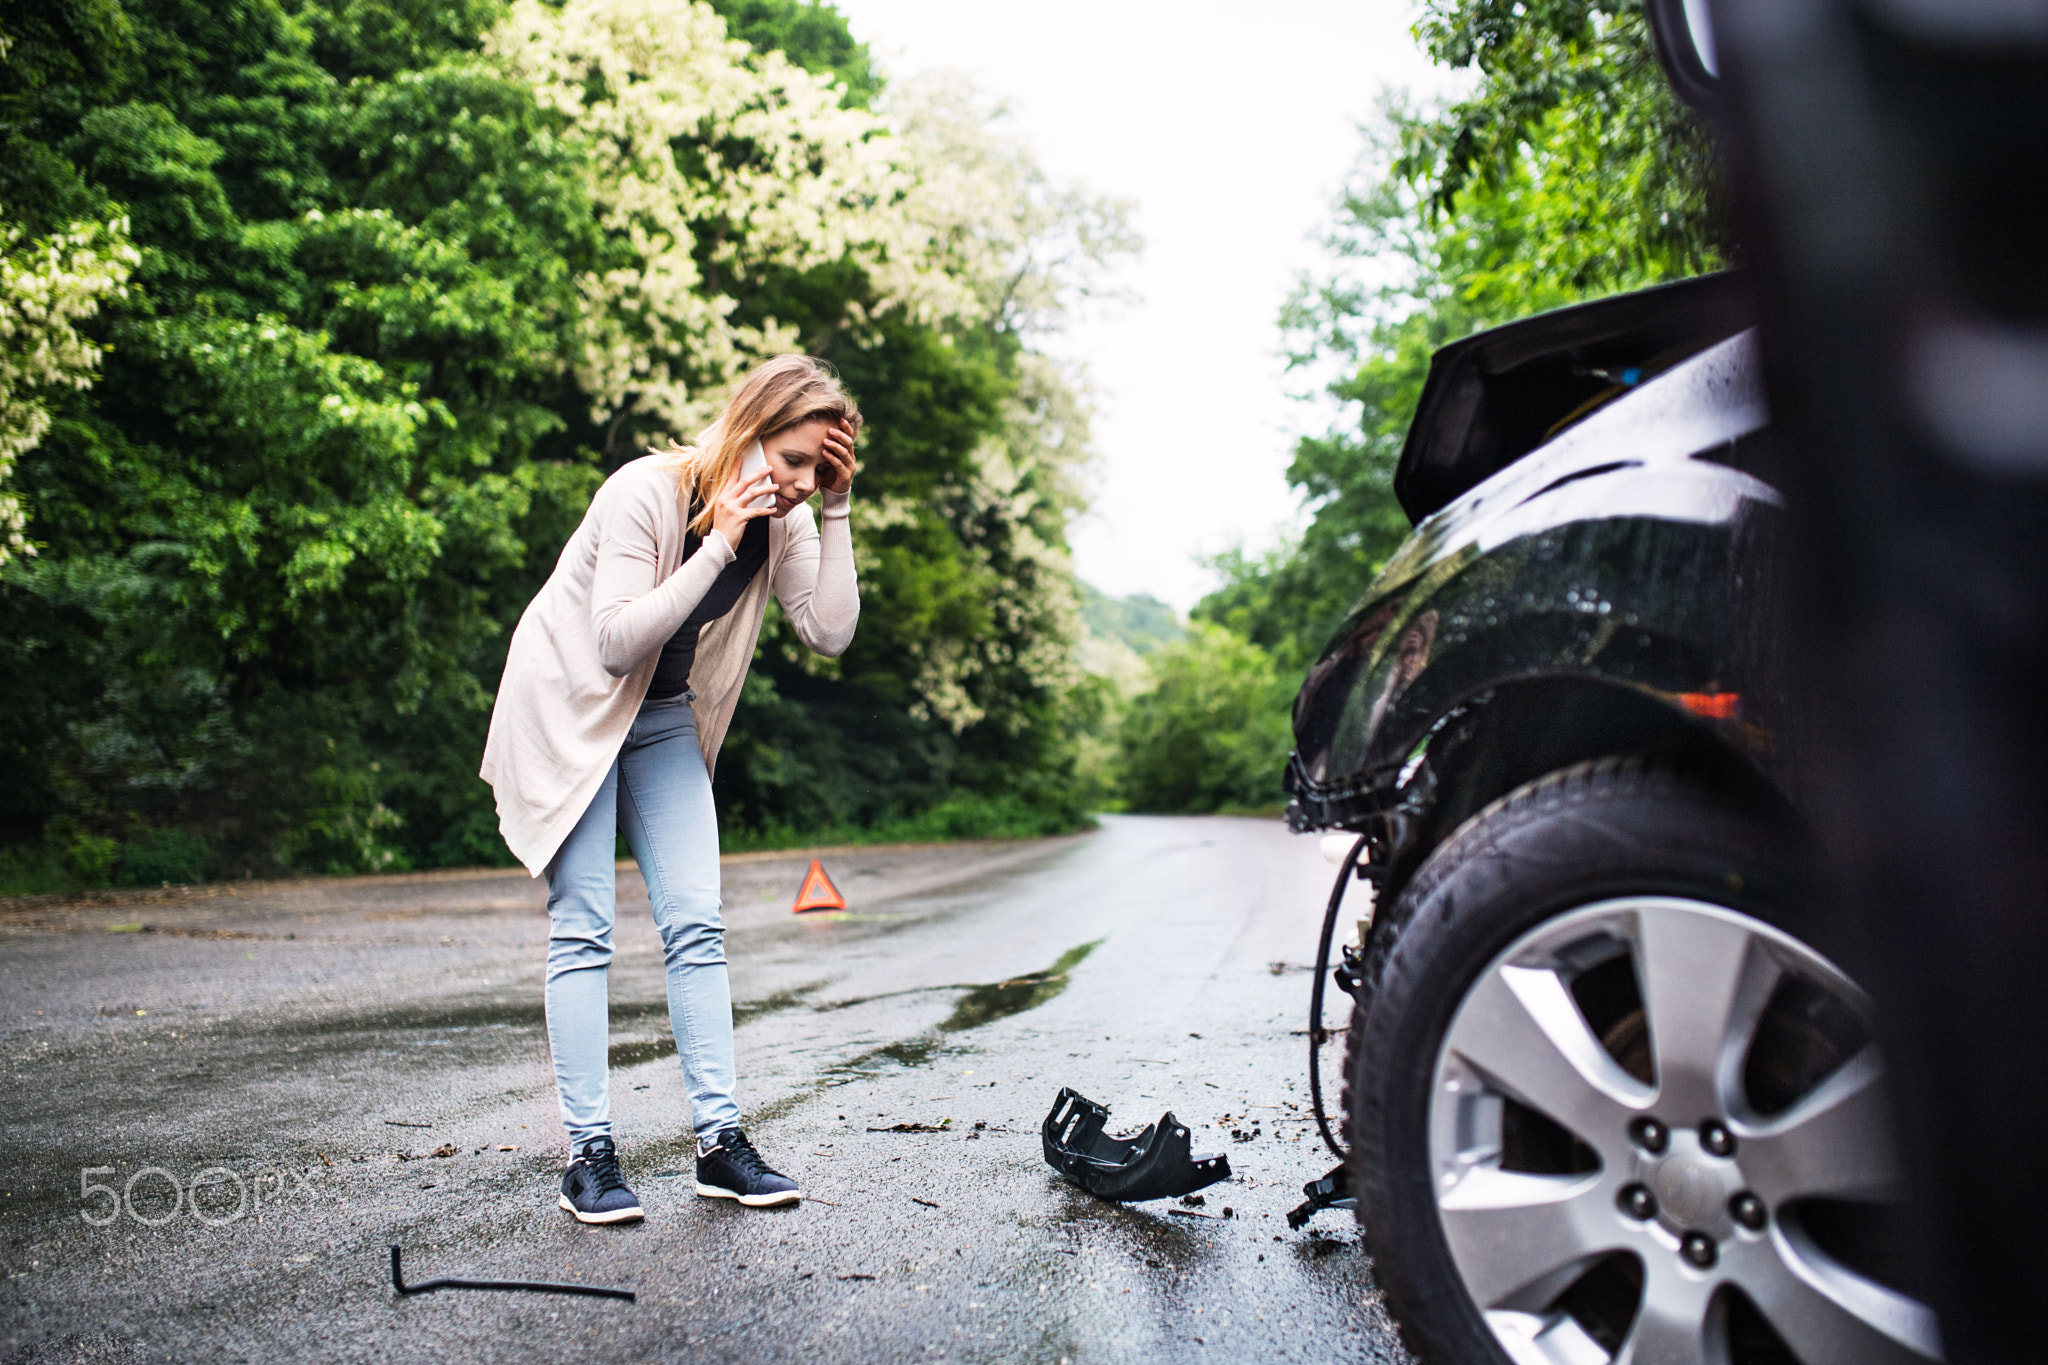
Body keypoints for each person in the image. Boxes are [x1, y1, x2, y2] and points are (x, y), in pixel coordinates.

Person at [481, 355, 861, 1224]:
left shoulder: (791, 519)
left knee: (697, 919)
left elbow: (829, 632)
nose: (800, 483)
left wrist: (835, 509)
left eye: (819, 468)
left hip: (658, 719)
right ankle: (589, 1154)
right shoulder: (647, 491)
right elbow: (615, 640)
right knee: (584, 924)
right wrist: (722, 541)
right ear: (749, 428)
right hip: (572, 708)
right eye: (794, 461)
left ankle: (720, 1144)